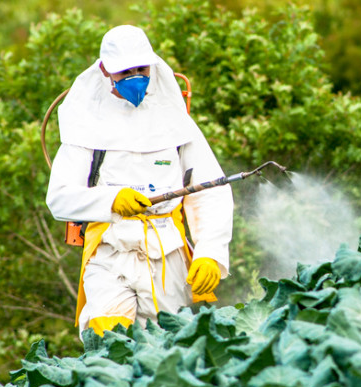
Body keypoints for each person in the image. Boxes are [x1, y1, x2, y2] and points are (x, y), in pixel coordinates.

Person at [46, 25, 234, 337]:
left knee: (170, 348)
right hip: (111, 250)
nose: (136, 76)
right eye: (125, 70)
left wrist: (210, 253)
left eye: (141, 68)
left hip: (168, 252)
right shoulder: (86, 119)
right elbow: (59, 198)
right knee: (109, 343)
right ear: (106, 69)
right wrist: (111, 201)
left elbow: (210, 189)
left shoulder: (172, 116)